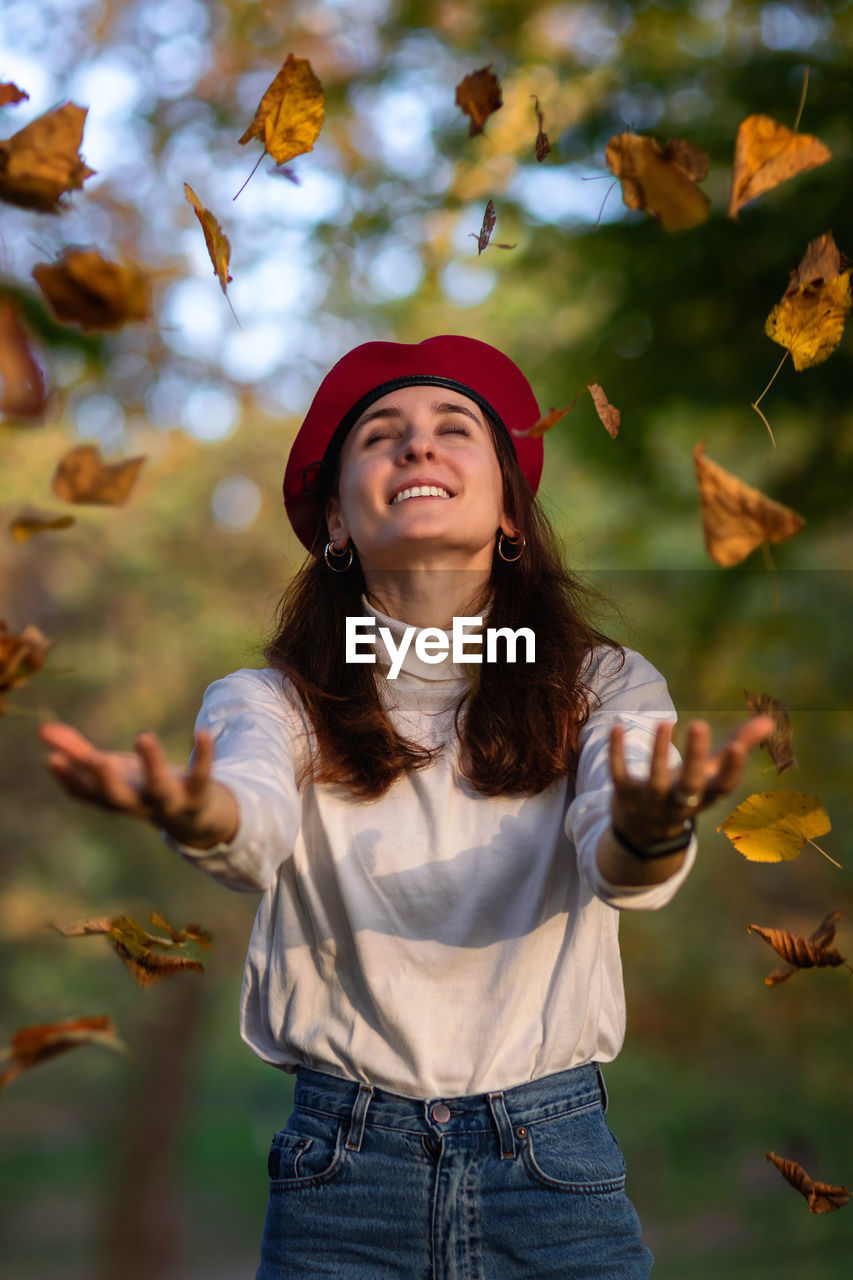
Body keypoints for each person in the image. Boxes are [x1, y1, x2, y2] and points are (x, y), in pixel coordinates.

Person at [39, 336, 773, 1279]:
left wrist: (649, 824)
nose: (417, 447)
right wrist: (200, 814)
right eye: (381, 436)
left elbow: (619, 861)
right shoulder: (272, 700)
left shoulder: (605, 684)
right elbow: (251, 823)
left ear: (509, 507)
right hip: (341, 1173)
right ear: (336, 522)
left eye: (451, 429)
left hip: (553, 1166)